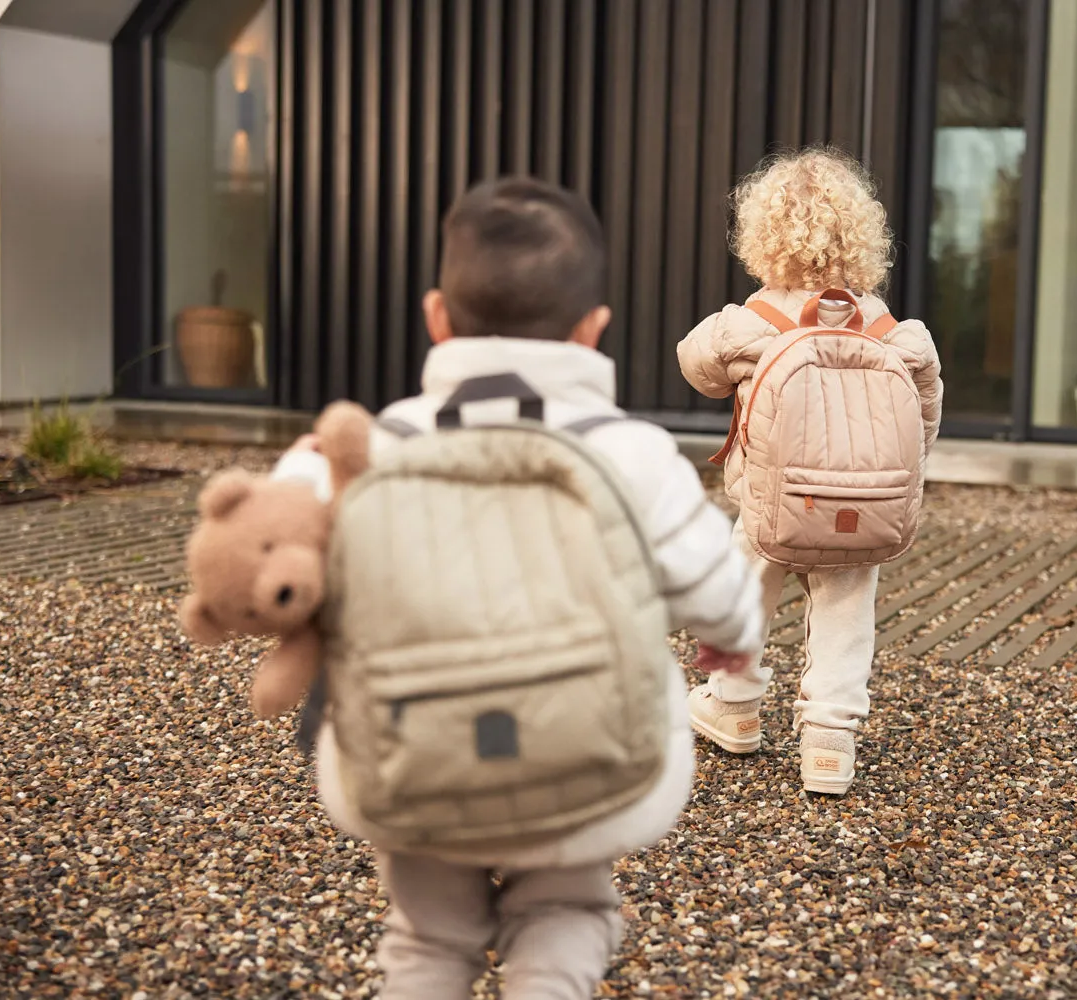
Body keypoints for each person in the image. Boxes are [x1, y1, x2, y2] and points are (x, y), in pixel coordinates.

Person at [270, 177, 763, 1000]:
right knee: (568, 908)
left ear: (436, 317)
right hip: (585, 755)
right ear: (592, 331)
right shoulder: (631, 452)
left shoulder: (375, 445)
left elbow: (276, 535)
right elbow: (721, 589)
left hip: (409, 753)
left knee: (426, 939)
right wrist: (731, 635)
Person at [676, 148, 943, 795]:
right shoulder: (886, 328)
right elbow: (924, 417)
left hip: (770, 505)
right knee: (847, 613)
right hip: (863, 507)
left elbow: (695, 364)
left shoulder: (752, 321)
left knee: (745, 595)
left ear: (763, 237)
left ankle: (734, 706)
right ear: (863, 237)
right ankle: (829, 739)